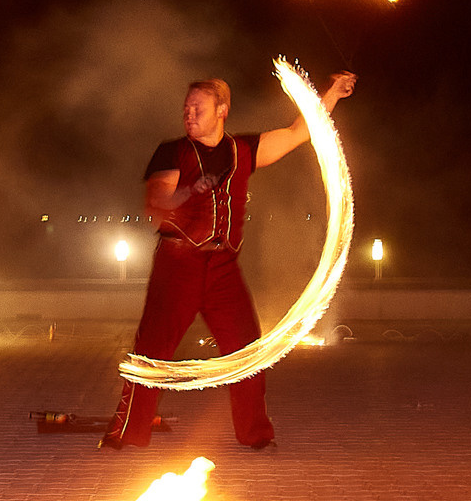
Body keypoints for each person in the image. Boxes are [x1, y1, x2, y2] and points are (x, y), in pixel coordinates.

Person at [102, 72, 356, 451]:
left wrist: (331, 94)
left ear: (222, 110)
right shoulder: (172, 152)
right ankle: (127, 433)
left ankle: (256, 434)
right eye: (186, 108)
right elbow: (157, 205)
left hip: (223, 269)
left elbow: (297, 133)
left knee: (247, 351)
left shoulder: (243, 150)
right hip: (178, 265)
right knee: (152, 353)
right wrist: (189, 192)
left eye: (198, 108)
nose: (188, 114)